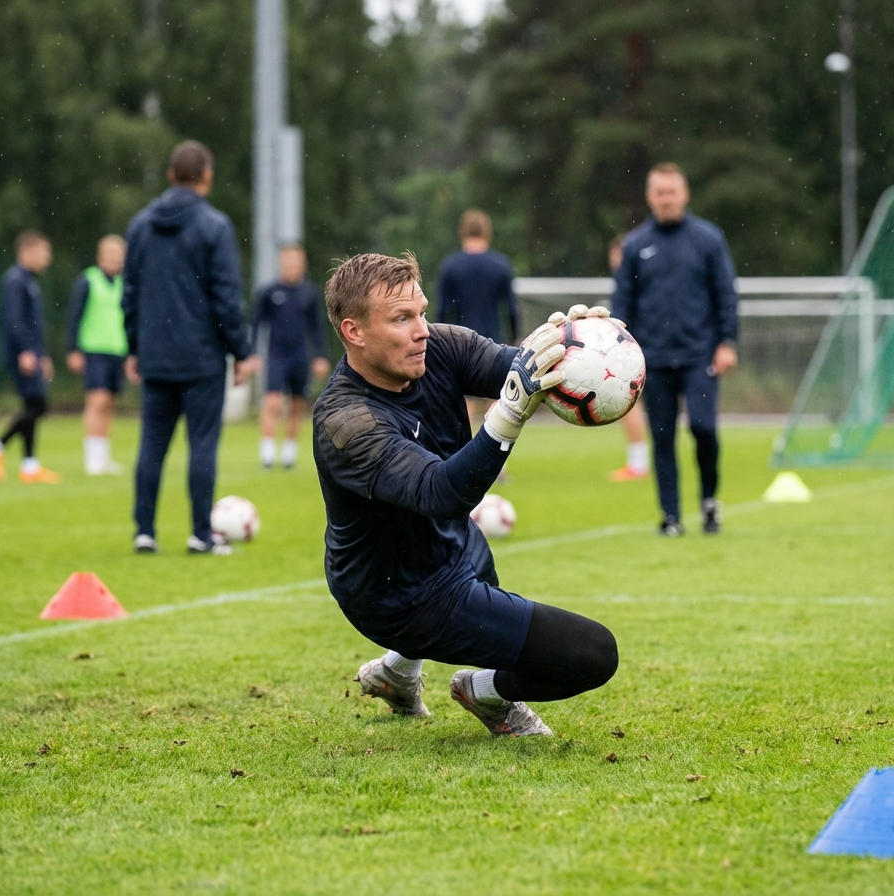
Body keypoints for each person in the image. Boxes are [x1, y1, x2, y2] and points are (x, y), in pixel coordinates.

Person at [313, 252, 618, 737]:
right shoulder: (346, 421)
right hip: (396, 596)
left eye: (421, 312)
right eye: (401, 319)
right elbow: (443, 493)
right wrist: (507, 415)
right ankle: (485, 692)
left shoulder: (441, 347)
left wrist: (578, 346)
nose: (422, 330)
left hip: (452, 547)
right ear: (354, 331)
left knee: (487, 584)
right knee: (593, 654)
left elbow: (520, 369)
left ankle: (397, 674)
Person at [122, 140, 254, 555]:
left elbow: (130, 293)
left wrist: (134, 346)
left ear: (170, 175)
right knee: (202, 445)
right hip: (201, 357)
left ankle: (145, 531)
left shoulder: (140, 226)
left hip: (156, 354)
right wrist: (241, 350)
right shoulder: (215, 227)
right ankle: (201, 533)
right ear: (207, 176)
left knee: (152, 445)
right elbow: (226, 297)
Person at [612, 162, 739, 536]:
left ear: (684, 194)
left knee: (703, 428)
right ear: (650, 196)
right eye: (658, 192)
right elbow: (622, 304)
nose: (665, 199)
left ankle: (710, 501)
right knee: (662, 437)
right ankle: (671, 517)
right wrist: (620, 348)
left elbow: (725, 294)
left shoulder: (708, 239)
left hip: (700, 355)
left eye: (672, 192)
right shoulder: (635, 246)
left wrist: (727, 342)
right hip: (653, 359)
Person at [0, 231, 60, 484]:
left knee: (31, 407)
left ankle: (30, 466)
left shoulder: (29, 280)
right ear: (28, 251)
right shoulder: (15, 280)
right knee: (38, 406)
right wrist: (26, 351)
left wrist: (42, 354)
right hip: (21, 354)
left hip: (31, 353)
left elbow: (33, 324)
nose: (48, 257)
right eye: (44, 252)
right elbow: (14, 320)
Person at [249, 244, 331, 470]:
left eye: (298, 262)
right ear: (282, 264)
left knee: (297, 404)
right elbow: (257, 323)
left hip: (300, 355)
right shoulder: (269, 291)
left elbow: (317, 327)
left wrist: (321, 356)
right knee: (273, 402)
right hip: (276, 354)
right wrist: (253, 353)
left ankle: (288, 454)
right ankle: (267, 453)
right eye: (290, 262)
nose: (294, 266)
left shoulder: (309, 292)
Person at [437, 209, 520, 421]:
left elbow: (443, 310)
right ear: (487, 232)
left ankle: (465, 450)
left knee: (465, 402)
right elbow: (511, 308)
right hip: (493, 340)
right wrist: (515, 337)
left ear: (462, 232)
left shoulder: (451, 266)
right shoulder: (500, 265)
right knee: (499, 401)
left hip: (460, 341)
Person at [66, 234, 128, 475]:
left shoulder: (123, 283)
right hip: (94, 349)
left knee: (110, 403)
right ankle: (92, 458)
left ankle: (103, 456)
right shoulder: (88, 280)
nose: (115, 261)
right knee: (97, 400)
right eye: (111, 256)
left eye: (119, 256)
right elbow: (74, 316)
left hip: (116, 350)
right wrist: (73, 349)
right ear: (100, 257)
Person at [607, 234, 650, 482]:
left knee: (630, 405)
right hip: (643, 348)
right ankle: (639, 463)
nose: (614, 262)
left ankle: (638, 465)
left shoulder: (632, 283)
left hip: (636, 351)